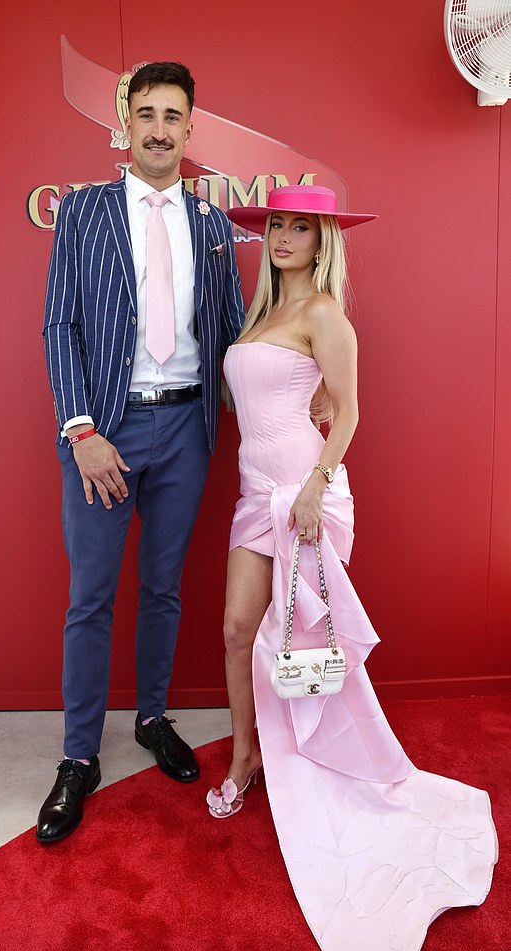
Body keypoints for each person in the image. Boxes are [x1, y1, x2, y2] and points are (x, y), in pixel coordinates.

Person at [207, 185, 497, 949]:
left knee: (305, 643)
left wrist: (313, 484)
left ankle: (329, 760)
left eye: (301, 227)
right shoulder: (260, 312)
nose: (284, 236)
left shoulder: (325, 313)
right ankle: (248, 756)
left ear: (322, 240)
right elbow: (280, 400)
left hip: (307, 495)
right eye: (277, 223)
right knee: (239, 630)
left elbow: (352, 408)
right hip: (254, 493)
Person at [37, 61, 245, 844]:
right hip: (103, 434)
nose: (159, 129)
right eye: (146, 113)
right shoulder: (84, 211)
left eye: (173, 116)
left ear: (191, 131)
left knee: (162, 589)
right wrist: (82, 430)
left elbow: (230, 335)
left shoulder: (215, 226)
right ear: (125, 124)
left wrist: (297, 390)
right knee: (91, 597)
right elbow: (60, 324)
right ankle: (78, 755)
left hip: (185, 430)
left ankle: (152, 717)